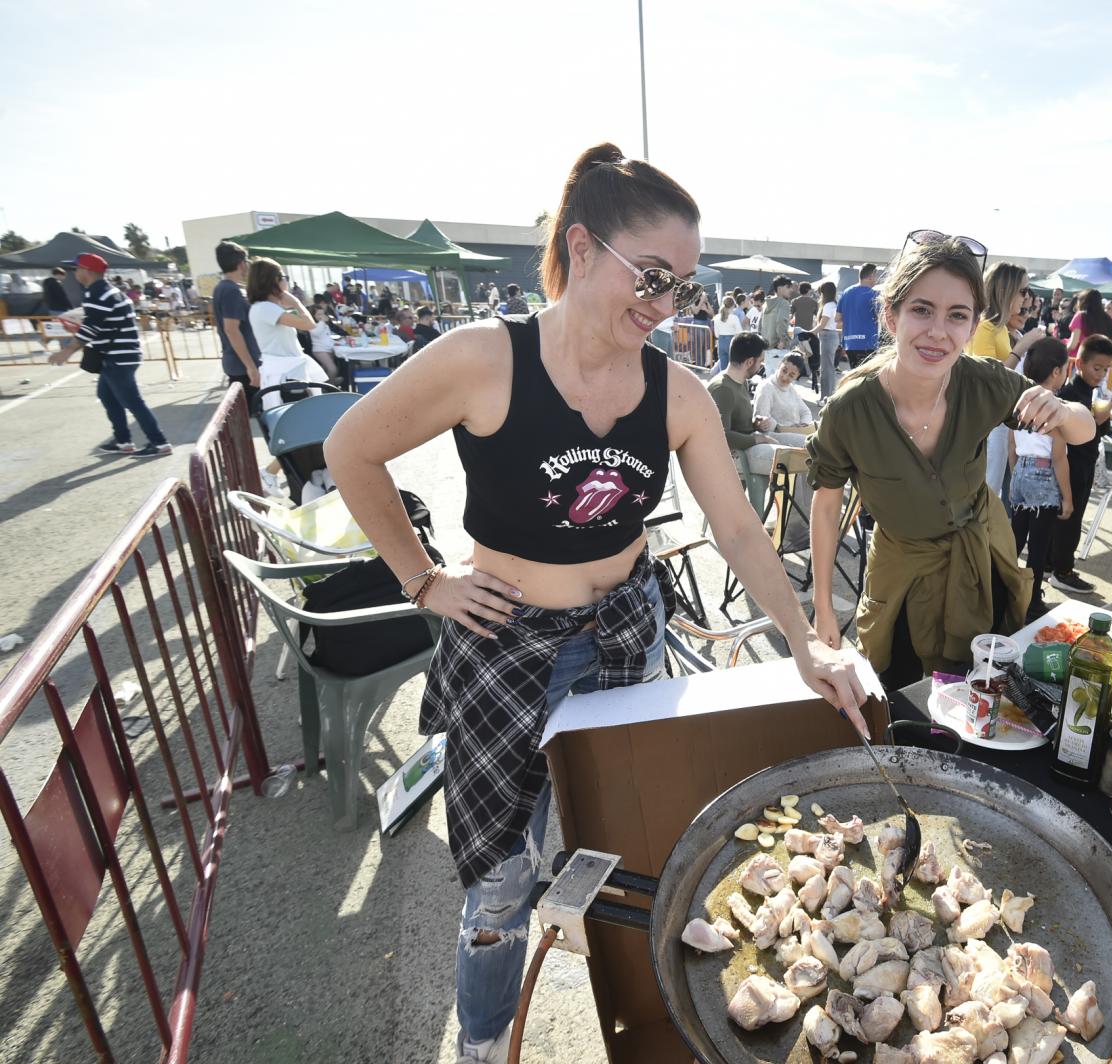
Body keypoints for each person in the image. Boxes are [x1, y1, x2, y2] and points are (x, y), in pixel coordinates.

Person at [324, 144, 868, 1064]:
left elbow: (737, 531)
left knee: (638, 848)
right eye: (651, 277)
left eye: (683, 288)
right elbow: (350, 449)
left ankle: (649, 1025)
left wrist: (808, 642)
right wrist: (425, 580)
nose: (664, 307)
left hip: (623, 636)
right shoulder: (484, 360)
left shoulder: (675, 393)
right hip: (504, 646)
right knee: (499, 885)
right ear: (582, 248)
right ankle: (487, 1043)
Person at [805, 232, 1095, 688]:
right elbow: (826, 506)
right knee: (901, 698)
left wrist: (1063, 409)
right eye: (921, 309)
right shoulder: (849, 410)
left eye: (957, 315)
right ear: (890, 314)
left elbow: (1083, 429)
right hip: (901, 581)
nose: (938, 331)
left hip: (982, 564)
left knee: (983, 693)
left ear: (973, 322)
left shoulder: (982, 383)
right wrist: (823, 609)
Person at [47, 253, 172, 457]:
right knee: (107, 396)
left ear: (87, 271)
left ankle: (159, 442)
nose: (75, 273)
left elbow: (91, 326)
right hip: (118, 355)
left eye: (76, 269)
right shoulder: (110, 291)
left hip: (117, 357)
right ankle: (123, 441)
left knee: (132, 401)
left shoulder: (97, 293)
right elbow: (100, 323)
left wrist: (67, 350)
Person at [1007, 337, 1074, 617]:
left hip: (1020, 471)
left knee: (1015, 539)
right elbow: (1059, 456)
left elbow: (1012, 444)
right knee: (1039, 543)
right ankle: (1032, 600)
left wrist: (1016, 475)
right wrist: (1067, 498)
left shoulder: (1020, 401)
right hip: (1043, 473)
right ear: (1056, 371)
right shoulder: (1053, 406)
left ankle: (1005, 591)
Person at [970, 261, 1046, 497]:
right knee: (986, 491)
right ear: (1006, 290)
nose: (1026, 299)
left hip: (1001, 422)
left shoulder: (1001, 329)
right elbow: (991, 381)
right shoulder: (985, 327)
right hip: (987, 424)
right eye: (1023, 291)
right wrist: (1021, 347)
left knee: (992, 492)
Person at [709, 333, 808, 511]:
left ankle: (800, 523)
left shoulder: (741, 382)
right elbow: (720, 436)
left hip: (750, 443)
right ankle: (794, 530)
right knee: (798, 458)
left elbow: (740, 422)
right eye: (761, 360)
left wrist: (756, 423)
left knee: (810, 447)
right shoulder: (723, 389)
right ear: (749, 362)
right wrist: (757, 438)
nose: (763, 364)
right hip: (736, 454)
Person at [1048, 336, 1112, 594]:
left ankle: (1052, 563)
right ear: (1079, 364)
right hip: (1071, 464)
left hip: (1085, 463)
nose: (1100, 374)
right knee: (1070, 518)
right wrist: (1095, 419)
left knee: (1068, 517)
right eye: (1096, 368)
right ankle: (1062, 570)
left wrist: (1103, 417)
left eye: (1105, 369)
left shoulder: (1093, 394)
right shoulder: (1069, 394)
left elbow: (1100, 430)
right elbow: (1070, 435)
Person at [246, 257, 328, 410]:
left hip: (287, 373)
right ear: (273, 281)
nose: (287, 282)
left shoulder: (265, 307)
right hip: (286, 375)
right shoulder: (265, 308)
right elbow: (309, 324)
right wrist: (296, 302)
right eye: (284, 277)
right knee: (299, 422)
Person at [213, 241, 263, 407]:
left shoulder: (224, 288)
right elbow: (231, 329)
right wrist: (251, 367)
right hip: (242, 366)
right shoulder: (231, 290)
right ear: (241, 264)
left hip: (238, 364)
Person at [754, 352, 816, 434]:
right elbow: (763, 419)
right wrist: (786, 428)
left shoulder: (791, 389)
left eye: (791, 375)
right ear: (779, 365)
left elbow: (805, 412)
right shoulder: (766, 387)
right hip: (774, 434)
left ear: (797, 376)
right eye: (784, 371)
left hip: (796, 431)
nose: (785, 377)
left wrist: (803, 425)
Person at [1064, 289, 1112, 359]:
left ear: (1083, 301)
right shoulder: (1107, 319)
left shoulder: (1080, 316)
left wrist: (1061, 353)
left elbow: (1072, 345)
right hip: (1102, 360)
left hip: (1081, 359)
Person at [838, 263, 880, 369]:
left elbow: (837, 318)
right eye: (876, 276)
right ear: (871, 276)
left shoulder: (845, 293)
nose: (876, 279)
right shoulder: (873, 294)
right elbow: (881, 317)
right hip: (868, 343)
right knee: (867, 378)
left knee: (855, 375)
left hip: (849, 343)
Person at [815, 281, 842, 399]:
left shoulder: (827, 306)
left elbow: (822, 324)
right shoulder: (834, 304)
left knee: (826, 369)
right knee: (829, 368)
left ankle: (825, 396)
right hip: (833, 336)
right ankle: (829, 395)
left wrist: (808, 333)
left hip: (827, 336)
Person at [760, 275, 795, 356]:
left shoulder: (766, 303)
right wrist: (784, 340)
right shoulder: (783, 303)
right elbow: (780, 321)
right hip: (779, 347)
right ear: (779, 289)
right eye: (788, 287)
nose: (791, 289)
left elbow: (761, 325)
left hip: (766, 347)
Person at [791, 281, 820, 379]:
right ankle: (811, 372)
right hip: (810, 332)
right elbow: (819, 317)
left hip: (797, 332)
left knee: (798, 353)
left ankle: (798, 372)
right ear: (808, 290)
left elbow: (790, 316)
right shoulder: (814, 302)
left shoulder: (795, 301)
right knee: (810, 354)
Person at [713, 294, 742, 373]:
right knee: (733, 366)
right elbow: (739, 332)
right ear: (733, 305)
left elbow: (716, 334)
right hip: (731, 341)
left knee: (723, 367)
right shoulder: (734, 318)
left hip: (721, 341)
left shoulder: (716, 317)